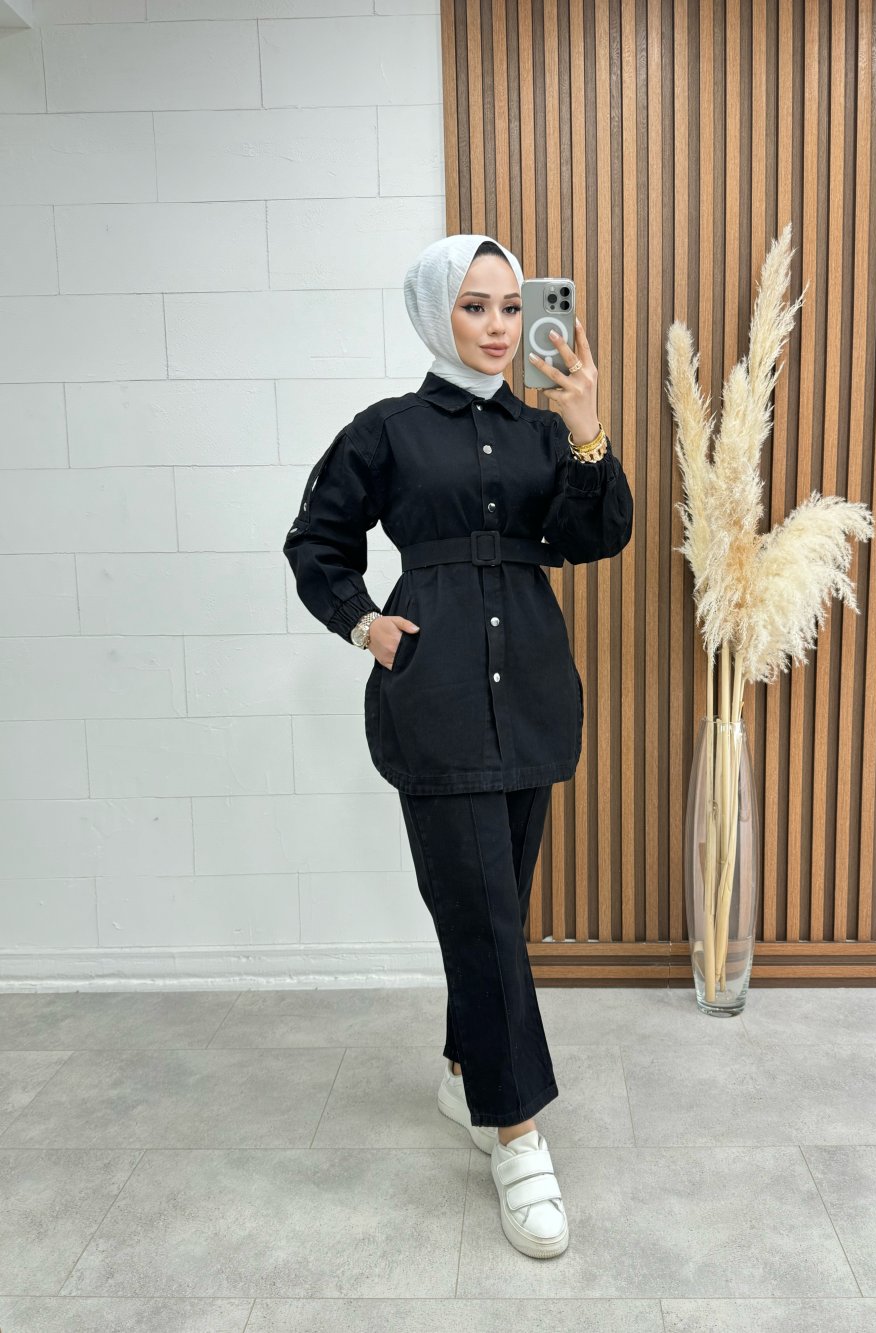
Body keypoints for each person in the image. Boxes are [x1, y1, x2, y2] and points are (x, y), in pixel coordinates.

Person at [283, 233, 634, 1259]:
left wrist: (587, 432)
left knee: (497, 908)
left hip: (530, 691)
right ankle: (517, 1136)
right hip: (434, 696)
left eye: (511, 307)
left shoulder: (544, 431)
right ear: (436, 312)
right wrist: (364, 623)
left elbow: (594, 536)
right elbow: (316, 542)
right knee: (483, 915)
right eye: (475, 306)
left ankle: (461, 1073)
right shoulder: (385, 432)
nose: (498, 326)